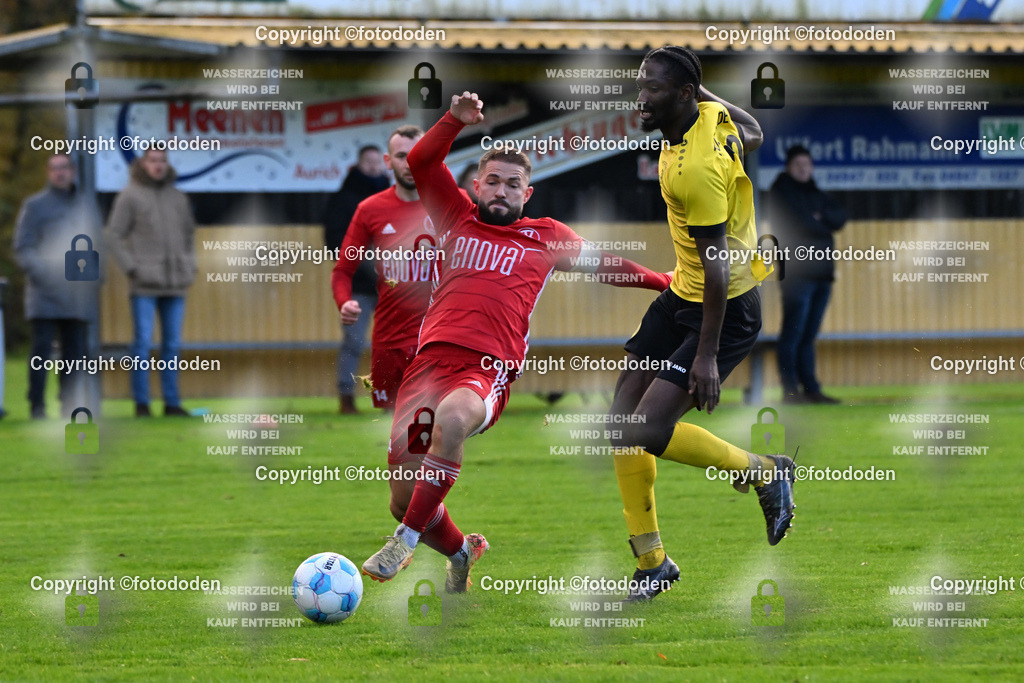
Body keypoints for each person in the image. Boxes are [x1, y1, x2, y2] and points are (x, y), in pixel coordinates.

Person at [360, 92, 672, 593]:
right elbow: (421, 161)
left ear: (527, 195)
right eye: (492, 182)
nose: (501, 191)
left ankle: (405, 541)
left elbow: (607, 265)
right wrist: (454, 120)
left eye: (513, 184)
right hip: (426, 368)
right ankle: (462, 550)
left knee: (454, 418)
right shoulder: (456, 217)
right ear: (476, 186)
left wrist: (663, 279)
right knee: (404, 493)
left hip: (485, 368)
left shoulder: (545, 235)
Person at [607, 46, 796, 601]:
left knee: (646, 430)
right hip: (684, 293)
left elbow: (717, 270)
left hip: (725, 305)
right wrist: (703, 95)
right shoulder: (710, 119)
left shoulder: (698, 169)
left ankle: (764, 470)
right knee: (622, 426)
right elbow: (755, 130)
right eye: (640, 84)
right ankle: (653, 564)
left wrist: (707, 356)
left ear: (683, 95)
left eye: (654, 89)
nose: (641, 97)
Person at [331, 126, 434, 411]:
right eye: (402, 156)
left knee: (443, 427)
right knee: (398, 432)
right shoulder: (369, 209)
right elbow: (343, 269)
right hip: (388, 333)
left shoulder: (453, 203)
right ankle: (346, 397)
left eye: (418, 155)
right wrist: (344, 301)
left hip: (437, 334)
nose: (410, 162)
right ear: (389, 162)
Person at [106, 147, 197, 417]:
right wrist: (132, 269)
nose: (158, 165)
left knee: (172, 345)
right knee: (142, 344)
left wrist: (190, 266)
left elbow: (189, 235)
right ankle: (142, 403)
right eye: (153, 161)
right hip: (144, 284)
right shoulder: (129, 196)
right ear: (143, 165)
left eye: (163, 161)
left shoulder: (177, 198)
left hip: (176, 282)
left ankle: (171, 403)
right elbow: (112, 235)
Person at [13, 153, 102, 419]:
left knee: (74, 355)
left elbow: (98, 245)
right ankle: (37, 405)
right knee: (40, 352)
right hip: (45, 294)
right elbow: (23, 248)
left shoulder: (86, 205)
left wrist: (96, 278)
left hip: (78, 294)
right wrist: (46, 273)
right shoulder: (35, 206)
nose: (59, 173)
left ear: (73, 171)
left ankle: (69, 406)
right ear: (48, 172)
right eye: (54, 168)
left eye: (64, 168)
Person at [768, 144, 847, 404]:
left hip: (822, 274)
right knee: (793, 333)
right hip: (796, 275)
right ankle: (790, 392)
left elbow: (840, 218)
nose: (804, 169)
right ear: (789, 167)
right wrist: (821, 222)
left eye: (807, 165)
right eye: (799, 165)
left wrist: (819, 218)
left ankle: (811, 389)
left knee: (809, 335)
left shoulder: (816, 192)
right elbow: (802, 222)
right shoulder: (780, 193)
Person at [323, 145, 390, 414]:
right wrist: (365, 265)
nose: (374, 167)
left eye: (377, 162)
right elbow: (336, 240)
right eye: (368, 162)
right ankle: (346, 396)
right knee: (353, 342)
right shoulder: (344, 199)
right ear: (358, 164)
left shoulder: (395, 196)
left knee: (391, 344)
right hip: (358, 285)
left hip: (392, 286)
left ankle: (390, 397)